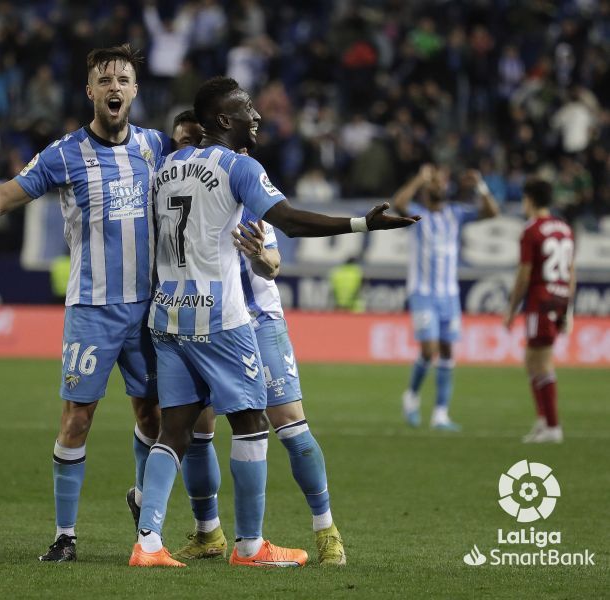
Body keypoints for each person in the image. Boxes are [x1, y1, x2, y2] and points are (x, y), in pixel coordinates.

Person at [129, 76, 418, 567]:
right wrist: (360, 223)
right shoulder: (240, 167)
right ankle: (249, 546)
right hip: (223, 316)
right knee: (251, 423)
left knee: (174, 430)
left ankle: (148, 544)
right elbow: (291, 221)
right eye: (246, 110)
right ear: (223, 120)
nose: (256, 117)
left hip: (169, 315)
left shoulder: (166, 169)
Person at [0, 44, 170, 563]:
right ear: (90, 91)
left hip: (147, 308)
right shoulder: (63, 154)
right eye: (105, 79)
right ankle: (66, 535)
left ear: (135, 90)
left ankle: (145, 508)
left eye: (123, 78)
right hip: (92, 310)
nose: (115, 86)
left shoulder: (156, 147)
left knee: (154, 416)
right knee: (77, 417)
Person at [155, 109, 345, 566]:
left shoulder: (243, 189)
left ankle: (326, 530)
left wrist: (261, 256)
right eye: (179, 144)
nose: (187, 151)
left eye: (192, 142)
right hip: (198, 321)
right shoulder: (177, 186)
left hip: (256, 321)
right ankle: (208, 533)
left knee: (289, 424)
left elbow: (273, 265)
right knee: (197, 432)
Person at [392, 164, 499, 430]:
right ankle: (412, 395)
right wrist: (419, 178)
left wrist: (480, 186)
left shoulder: (456, 214)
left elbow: (491, 213)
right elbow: (398, 203)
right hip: (423, 293)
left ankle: (441, 414)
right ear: (427, 190)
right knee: (429, 351)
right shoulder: (417, 216)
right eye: (435, 183)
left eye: (441, 182)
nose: (439, 185)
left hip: (449, 295)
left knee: (449, 350)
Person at [503, 179, 575, 443]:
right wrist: (568, 307)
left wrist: (511, 309)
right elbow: (571, 272)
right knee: (531, 360)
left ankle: (553, 426)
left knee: (541, 361)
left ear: (530, 200)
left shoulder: (532, 230)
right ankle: (544, 422)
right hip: (557, 299)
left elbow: (524, 274)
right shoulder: (564, 228)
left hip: (540, 300)